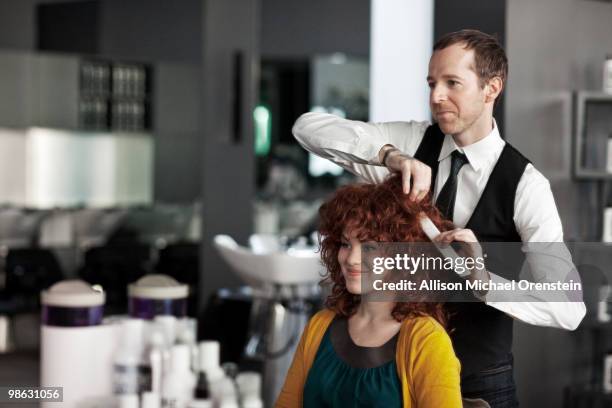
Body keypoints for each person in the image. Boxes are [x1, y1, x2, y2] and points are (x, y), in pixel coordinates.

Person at [292, 29, 586, 407]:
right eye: (432, 83)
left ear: (491, 88)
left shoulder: (526, 186)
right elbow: (308, 129)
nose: (436, 97)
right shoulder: (413, 144)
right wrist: (388, 156)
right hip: (397, 370)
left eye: (452, 83)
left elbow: (568, 306)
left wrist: (484, 282)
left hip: (478, 385)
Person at [276, 175, 463, 407]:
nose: (352, 259)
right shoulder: (319, 326)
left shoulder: (426, 340)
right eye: (346, 244)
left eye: (370, 247)